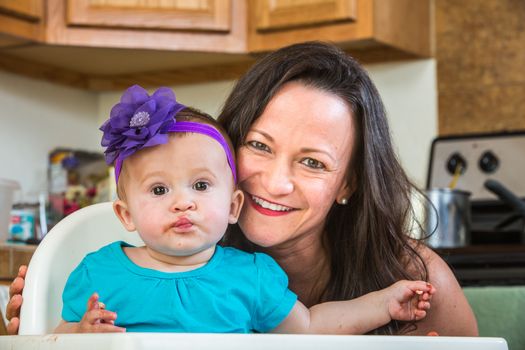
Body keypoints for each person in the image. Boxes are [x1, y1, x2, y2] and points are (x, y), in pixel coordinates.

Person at [6, 41, 477, 336]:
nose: (275, 182)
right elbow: (59, 333)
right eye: (259, 145)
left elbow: (310, 329)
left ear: (347, 184)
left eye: (313, 162)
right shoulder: (135, 259)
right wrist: (39, 326)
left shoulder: (414, 277)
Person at [54, 85, 433, 333]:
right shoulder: (96, 274)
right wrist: (79, 334)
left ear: (234, 205)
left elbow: (312, 328)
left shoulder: (251, 278)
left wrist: (384, 304)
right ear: (126, 214)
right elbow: (48, 337)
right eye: (158, 189)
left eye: (201, 186)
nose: (183, 201)